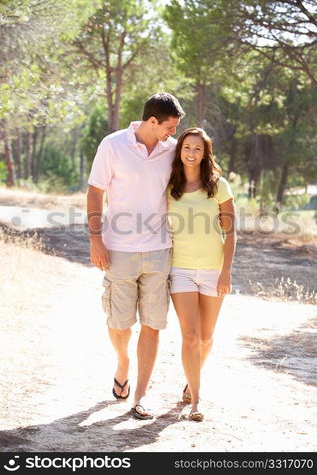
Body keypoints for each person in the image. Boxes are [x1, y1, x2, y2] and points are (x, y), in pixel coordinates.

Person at [87, 92, 185, 420]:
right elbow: (95, 191)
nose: (173, 133)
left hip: (159, 250)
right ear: (152, 121)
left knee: (153, 324)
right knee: (119, 322)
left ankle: (139, 395)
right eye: (169, 127)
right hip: (119, 250)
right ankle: (123, 362)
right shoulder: (112, 145)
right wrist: (95, 240)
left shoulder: (172, 151)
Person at [167, 127, 236, 421]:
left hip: (212, 269)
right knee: (191, 336)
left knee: (206, 338)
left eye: (197, 148)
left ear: (205, 153)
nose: (191, 153)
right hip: (179, 269)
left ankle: (189, 383)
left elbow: (231, 233)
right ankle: (196, 400)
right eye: (187, 147)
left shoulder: (218, 185)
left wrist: (225, 272)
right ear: (180, 151)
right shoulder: (170, 185)